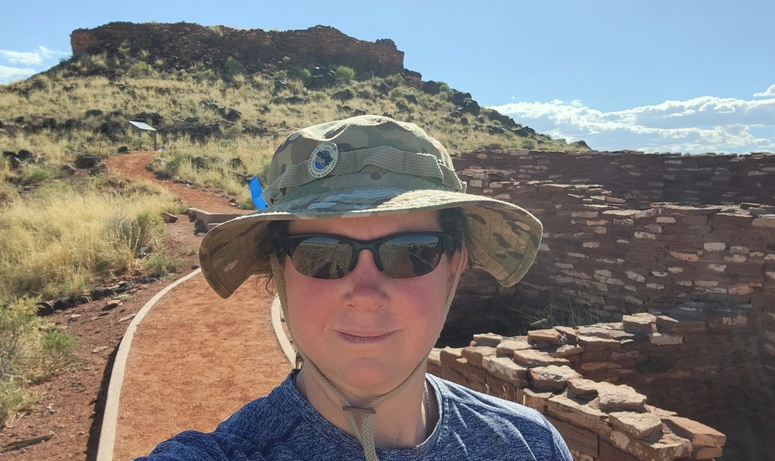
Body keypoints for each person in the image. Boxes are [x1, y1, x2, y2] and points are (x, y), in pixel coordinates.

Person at [136, 115, 572, 461]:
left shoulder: (530, 446)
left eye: (411, 252)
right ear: (280, 270)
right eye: (321, 254)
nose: (365, 295)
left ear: (454, 266)